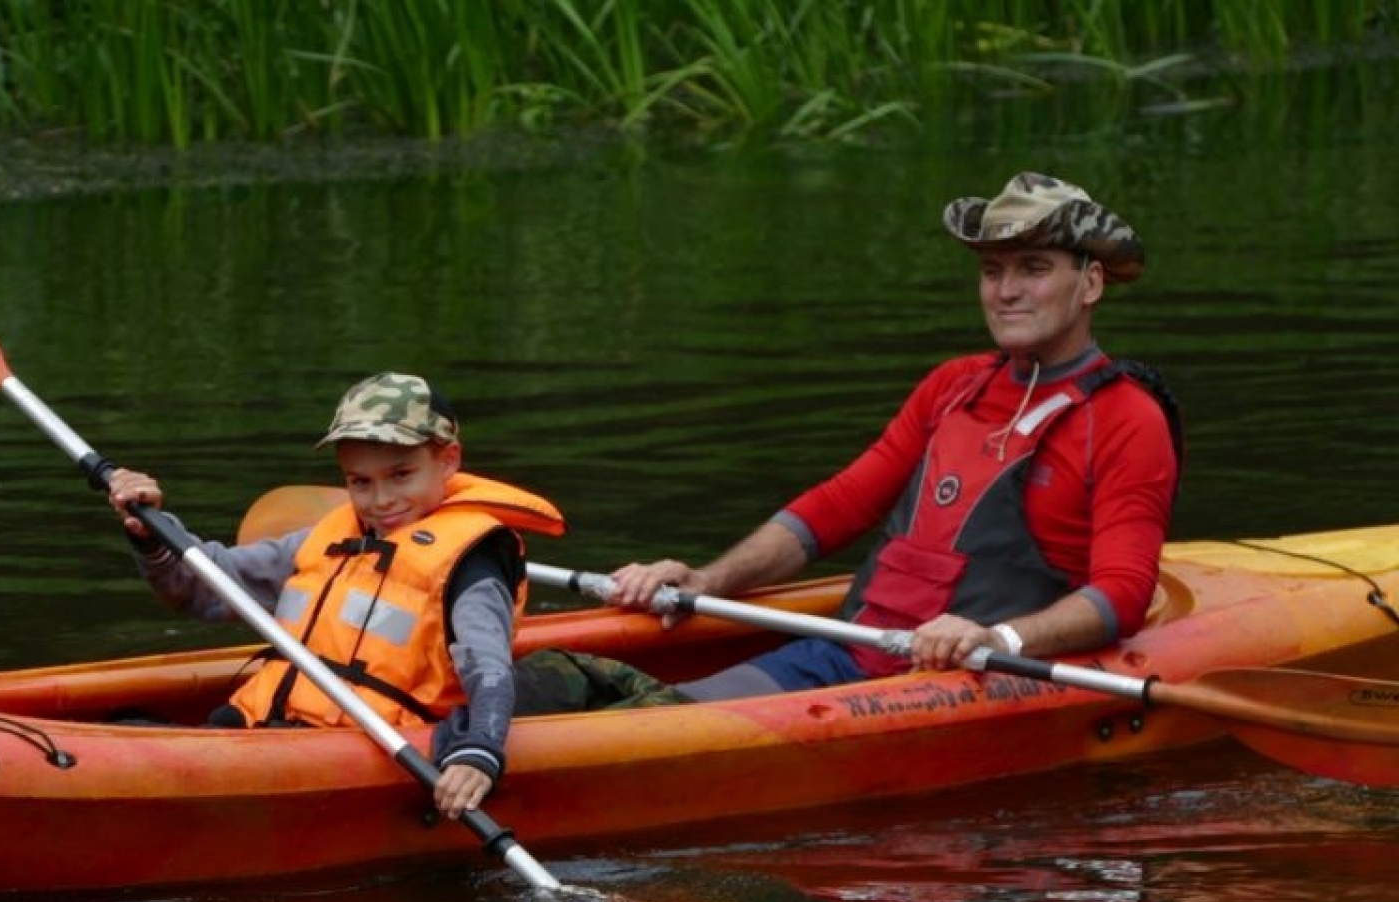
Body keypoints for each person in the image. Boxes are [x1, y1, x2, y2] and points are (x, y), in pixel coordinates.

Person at [526, 170, 1181, 706]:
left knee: (650, 721)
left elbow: (1123, 592)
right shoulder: (954, 385)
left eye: (1032, 268)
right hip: (846, 655)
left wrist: (999, 637)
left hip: (963, 681)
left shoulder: (1126, 418)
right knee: (585, 691)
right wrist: (708, 578)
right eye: (991, 270)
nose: (1005, 291)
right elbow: (838, 506)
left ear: (1090, 282)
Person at [106, 372, 565, 819]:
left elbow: (488, 668)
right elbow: (201, 589)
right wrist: (153, 533)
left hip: (368, 751)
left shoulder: (474, 560)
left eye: (401, 475)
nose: (381, 500)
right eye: (360, 482)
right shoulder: (325, 538)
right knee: (123, 727)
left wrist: (479, 752)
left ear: (448, 460)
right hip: (259, 727)